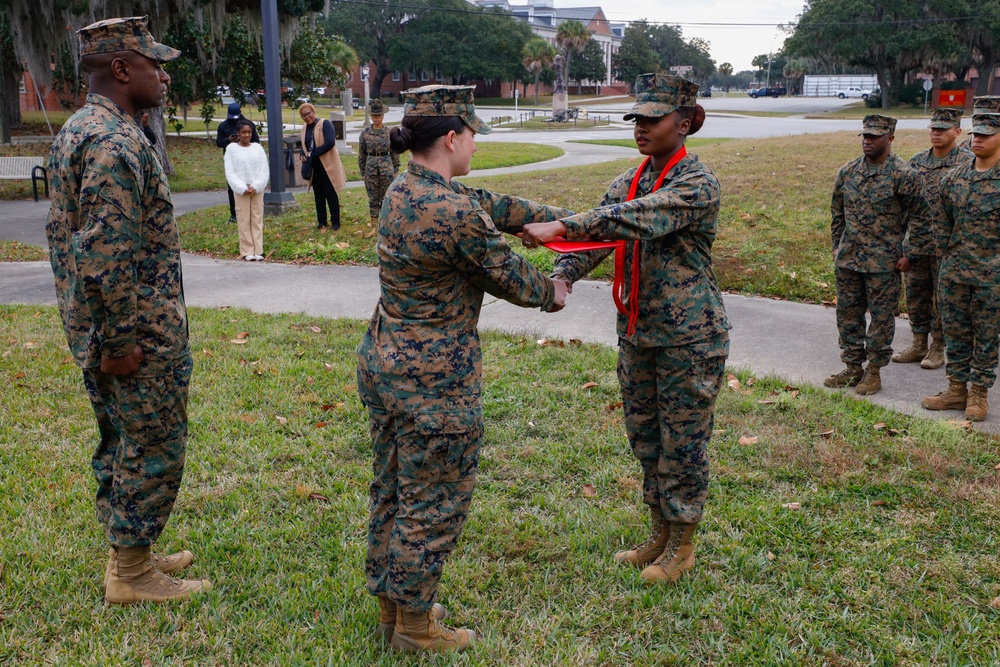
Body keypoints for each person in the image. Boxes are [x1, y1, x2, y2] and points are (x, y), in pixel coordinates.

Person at [356, 84, 571, 653]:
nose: (475, 145)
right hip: (434, 379)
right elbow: (519, 282)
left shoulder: (406, 188)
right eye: (472, 135)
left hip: (387, 361)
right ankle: (417, 627)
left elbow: (494, 206)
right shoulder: (452, 213)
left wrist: (566, 220)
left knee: (395, 487)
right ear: (452, 137)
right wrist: (559, 284)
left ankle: (392, 605)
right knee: (434, 501)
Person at [519, 73, 730, 586]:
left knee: (683, 442)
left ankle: (683, 545)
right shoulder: (629, 181)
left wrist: (564, 225)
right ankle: (659, 533)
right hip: (638, 331)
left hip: (688, 338)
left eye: (652, 119)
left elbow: (634, 219)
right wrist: (562, 275)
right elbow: (605, 236)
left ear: (684, 124)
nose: (640, 127)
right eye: (636, 118)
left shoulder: (695, 185)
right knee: (646, 437)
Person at [44, 15, 209, 605]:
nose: (162, 76)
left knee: (121, 437)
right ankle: (133, 574)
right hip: (134, 334)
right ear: (120, 69)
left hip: (98, 327)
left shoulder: (82, 128)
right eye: (152, 64)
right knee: (151, 440)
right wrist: (120, 344)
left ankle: (129, 547)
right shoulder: (114, 142)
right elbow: (105, 253)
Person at [824, 114, 933, 395]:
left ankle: (873, 371)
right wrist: (837, 245)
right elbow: (837, 213)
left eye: (874, 136)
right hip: (849, 260)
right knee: (848, 315)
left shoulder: (903, 175)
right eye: (865, 136)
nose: (868, 141)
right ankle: (852, 367)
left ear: (890, 138)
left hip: (884, 263)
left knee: (882, 319)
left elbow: (921, 217)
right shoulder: (848, 172)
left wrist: (910, 254)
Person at [922, 96, 1000, 421]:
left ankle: (978, 394)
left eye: (986, 133)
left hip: (991, 277)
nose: (977, 139)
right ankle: (956, 390)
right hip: (954, 273)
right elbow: (942, 230)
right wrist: (948, 267)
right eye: (975, 133)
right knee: (955, 332)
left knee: (987, 335)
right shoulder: (951, 179)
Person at [893, 108, 971, 369]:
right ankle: (918, 344)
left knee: (944, 298)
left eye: (943, 129)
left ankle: (938, 346)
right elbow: (904, 205)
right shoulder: (916, 162)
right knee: (916, 295)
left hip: (949, 247)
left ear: (957, 132)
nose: (936, 133)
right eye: (933, 128)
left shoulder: (967, 163)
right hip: (917, 243)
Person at [224, 118, 270, 261]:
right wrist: (242, 188)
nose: (246, 135)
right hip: (241, 190)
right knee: (244, 220)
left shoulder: (258, 148)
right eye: (243, 132)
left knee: (257, 218)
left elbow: (264, 169)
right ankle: (247, 250)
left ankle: (258, 249)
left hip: (256, 189)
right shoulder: (231, 149)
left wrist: (256, 186)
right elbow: (230, 172)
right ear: (238, 133)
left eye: (249, 132)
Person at [298, 102, 346, 230]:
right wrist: (303, 154)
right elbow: (304, 145)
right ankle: (322, 222)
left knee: (330, 193)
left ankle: (336, 223)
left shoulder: (325, 123)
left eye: (308, 113)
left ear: (313, 111)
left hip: (328, 165)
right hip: (314, 166)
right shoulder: (304, 128)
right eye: (303, 115)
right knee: (318, 195)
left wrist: (312, 154)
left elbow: (330, 142)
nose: (307, 117)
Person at [215, 102, 260, 223]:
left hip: (247, 160)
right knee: (232, 187)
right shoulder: (223, 126)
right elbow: (219, 142)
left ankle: (250, 211)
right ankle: (234, 213)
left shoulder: (248, 125)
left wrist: (244, 139)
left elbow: (256, 141)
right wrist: (228, 140)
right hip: (232, 160)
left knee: (249, 185)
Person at [358, 98, 400, 225]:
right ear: (371, 116)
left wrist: (396, 169)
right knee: (373, 197)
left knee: (387, 197)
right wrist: (363, 171)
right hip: (370, 167)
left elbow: (394, 152)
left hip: (386, 168)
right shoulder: (365, 134)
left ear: (383, 115)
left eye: (379, 115)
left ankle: (386, 224)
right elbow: (362, 154)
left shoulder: (389, 133)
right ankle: (374, 224)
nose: (377, 118)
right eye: (374, 116)